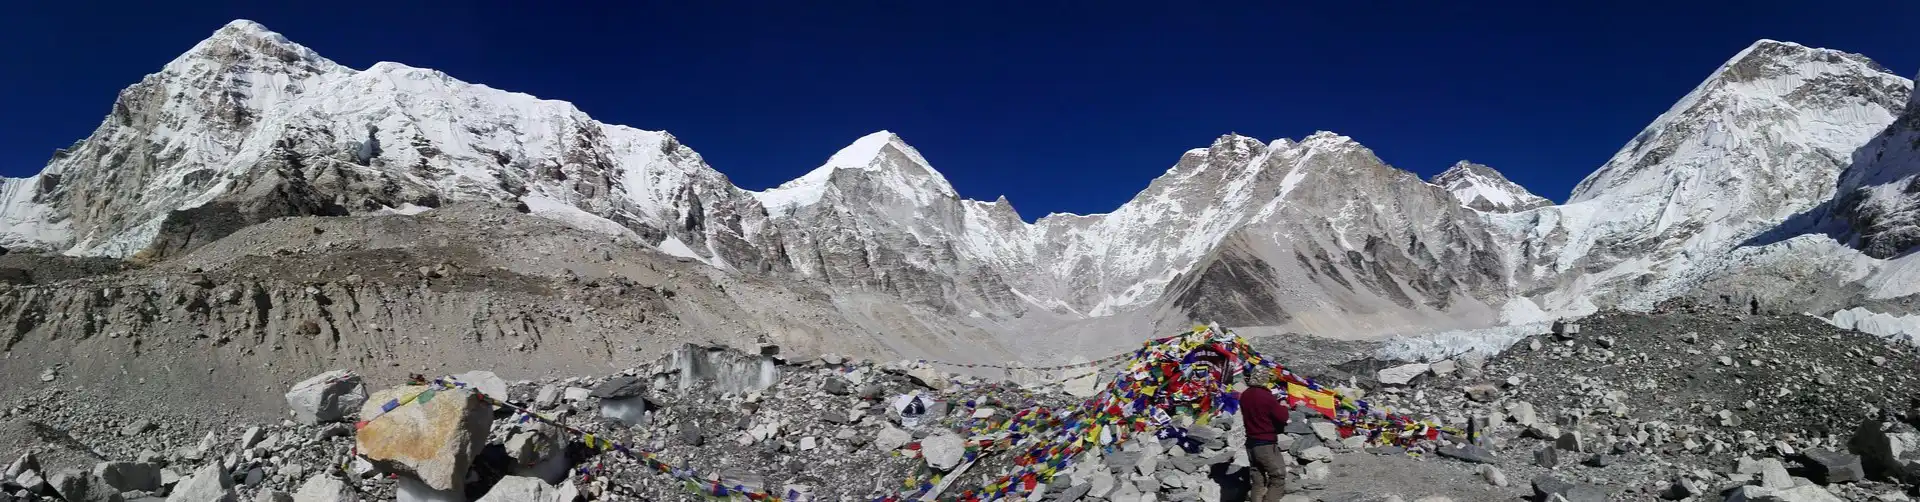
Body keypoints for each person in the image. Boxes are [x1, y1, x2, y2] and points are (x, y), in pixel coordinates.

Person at [1240, 369, 1290, 502]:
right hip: (1266, 443)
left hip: (1251, 442)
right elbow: (1282, 417)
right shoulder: (1265, 396)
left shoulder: (1245, 395)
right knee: (1278, 476)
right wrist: (1283, 405)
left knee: (1258, 480)